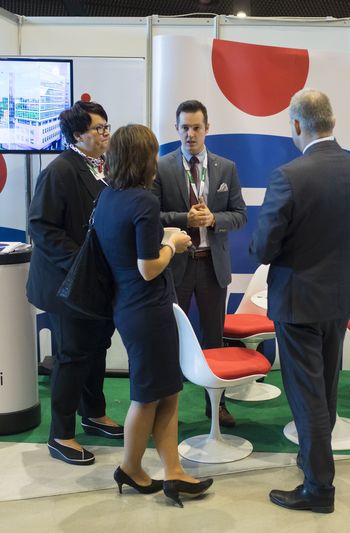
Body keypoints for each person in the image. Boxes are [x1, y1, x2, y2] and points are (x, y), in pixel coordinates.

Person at [250, 89, 350, 513]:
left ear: (296, 124)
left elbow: (263, 248)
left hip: (298, 300)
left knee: (306, 396)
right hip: (339, 298)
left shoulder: (289, 176)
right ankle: (312, 462)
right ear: (332, 121)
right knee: (325, 388)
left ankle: (319, 488)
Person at [94, 124, 213, 507]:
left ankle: (172, 471)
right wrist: (173, 244)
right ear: (144, 159)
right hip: (149, 307)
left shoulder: (108, 197)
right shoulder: (143, 202)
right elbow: (148, 267)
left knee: (164, 392)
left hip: (127, 306)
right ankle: (131, 467)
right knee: (150, 396)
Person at [27, 100, 124, 466]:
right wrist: (80, 262)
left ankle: (93, 413)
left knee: (96, 348)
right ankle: (61, 434)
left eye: (106, 126)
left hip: (96, 281)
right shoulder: (60, 170)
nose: (105, 133)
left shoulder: (104, 166)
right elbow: (42, 227)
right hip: (67, 284)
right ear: (77, 134)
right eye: (99, 128)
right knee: (71, 356)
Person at [153, 100, 247, 428]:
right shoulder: (162, 167)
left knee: (213, 338)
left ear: (208, 128)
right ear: (176, 129)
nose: (190, 134)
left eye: (196, 127)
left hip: (211, 265)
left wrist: (214, 219)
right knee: (171, 338)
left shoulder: (226, 168)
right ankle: (167, 410)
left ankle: (216, 406)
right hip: (175, 264)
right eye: (185, 128)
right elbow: (152, 215)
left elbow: (240, 215)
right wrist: (185, 218)